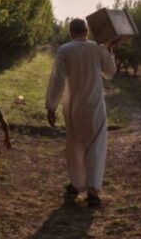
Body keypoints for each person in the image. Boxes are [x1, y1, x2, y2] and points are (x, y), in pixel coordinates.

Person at [45, 18, 120, 208]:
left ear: (71, 32)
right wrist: (109, 48)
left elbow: (57, 80)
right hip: (94, 106)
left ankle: (77, 184)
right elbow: (110, 72)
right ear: (87, 31)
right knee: (95, 146)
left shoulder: (64, 50)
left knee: (74, 145)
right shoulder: (97, 48)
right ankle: (93, 191)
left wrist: (51, 106)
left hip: (73, 107)